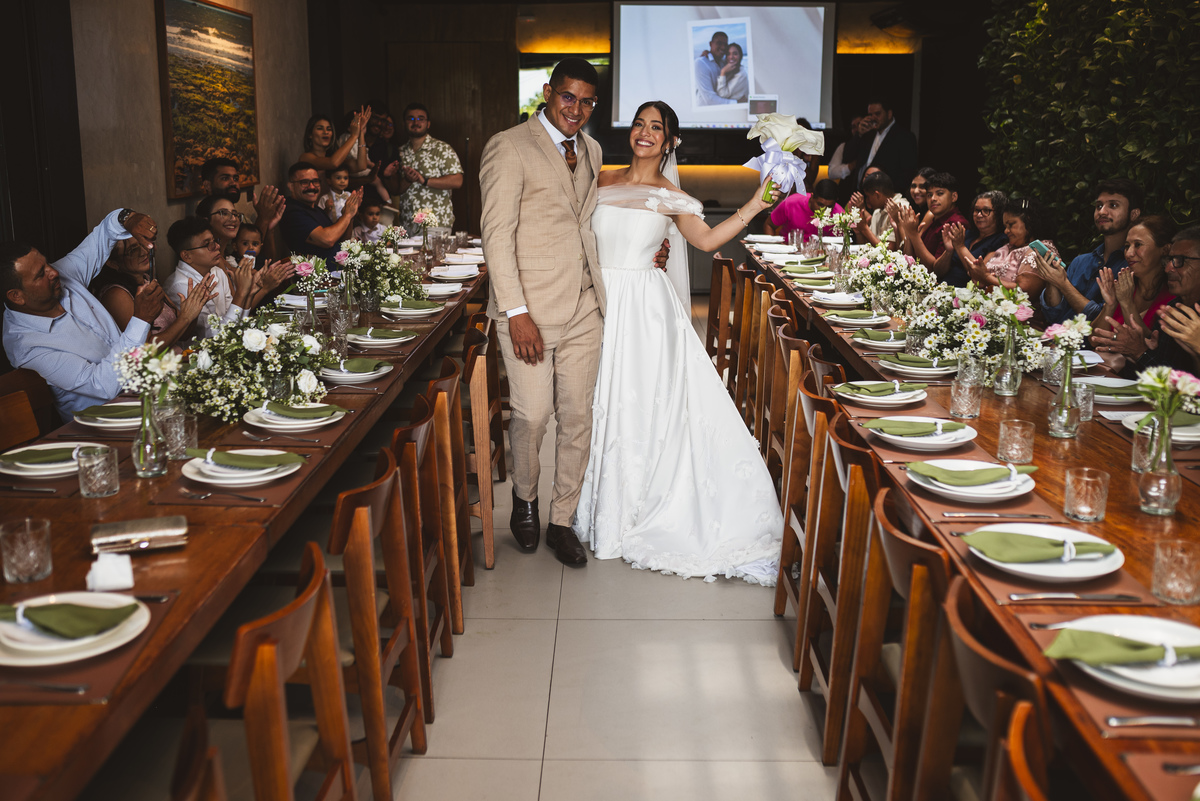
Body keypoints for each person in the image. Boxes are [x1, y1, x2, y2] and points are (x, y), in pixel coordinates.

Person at [573, 99, 783, 583]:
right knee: (594, 403)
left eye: (656, 127)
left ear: (669, 141)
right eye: (639, 124)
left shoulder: (672, 196)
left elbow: (706, 242)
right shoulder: (599, 179)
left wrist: (755, 205)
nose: (644, 133)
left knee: (636, 405)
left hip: (644, 310)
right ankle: (593, 505)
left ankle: (634, 507)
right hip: (597, 300)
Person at [479, 58, 668, 568]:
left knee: (579, 417)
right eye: (568, 97)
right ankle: (525, 498)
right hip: (530, 310)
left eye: (587, 102)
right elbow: (496, 235)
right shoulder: (508, 146)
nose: (576, 109)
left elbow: (593, 222)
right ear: (548, 92)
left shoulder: (593, 150)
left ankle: (562, 520)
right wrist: (516, 311)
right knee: (532, 415)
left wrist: (652, 244)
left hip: (587, 304)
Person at [1, 208, 164, 417]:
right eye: (41, 274)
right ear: (16, 296)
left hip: (145, 398)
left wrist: (128, 218)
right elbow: (101, 384)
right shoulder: (27, 347)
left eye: (47, 263)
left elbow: (102, 236)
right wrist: (141, 319)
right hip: (101, 425)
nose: (54, 272)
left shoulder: (61, 277)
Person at [1035, 177, 1143, 325]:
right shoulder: (1081, 261)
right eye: (1099, 206)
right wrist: (1052, 280)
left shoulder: (1132, 266)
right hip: (1056, 337)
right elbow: (1053, 315)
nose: (1102, 211)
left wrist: (1063, 284)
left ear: (1134, 214)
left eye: (1113, 205)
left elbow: (1103, 320)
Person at [164, 217, 290, 338]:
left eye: (215, 241)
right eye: (207, 244)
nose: (217, 247)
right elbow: (215, 336)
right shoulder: (180, 286)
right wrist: (241, 292)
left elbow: (236, 320)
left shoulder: (217, 271)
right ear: (187, 256)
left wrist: (250, 292)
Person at [90, 237, 216, 347]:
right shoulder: (116, 295)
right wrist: (185, 317)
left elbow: (183, 334)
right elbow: (144, 349)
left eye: (143, 244)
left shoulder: (147, 280)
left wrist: (194, 308)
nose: (144, 252)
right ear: (112, 263)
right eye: (133, 250)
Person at [1110, 227, 1200, 373]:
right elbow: (1166, 373)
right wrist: (1140, 351)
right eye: (1169, 260)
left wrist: (1140, 352)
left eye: (1180, 261)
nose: (1168, 269)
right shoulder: (1174, 307)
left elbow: (1183, 382)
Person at [1090, 215, 1176, 353]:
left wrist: (1126, 302)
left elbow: (1152, 351)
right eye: (1127, 246)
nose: (1129, 253)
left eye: (1138, 245)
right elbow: (1094, 340)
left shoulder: (1174, 295)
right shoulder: (1125, 285)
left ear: (1165, 250)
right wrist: (1110, 305)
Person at [962, 197, 1053, 297]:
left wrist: (986, 278)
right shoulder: (1006, 246)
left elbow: (1025, 291)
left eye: (1011, 225)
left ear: (1029, 221)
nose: (1006, 231)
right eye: (1005, 226)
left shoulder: (1041, 250)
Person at [398, 103, 464, 231]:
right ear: (404, 123)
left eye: (421, 119)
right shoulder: (400, 152)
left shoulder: (442, 148)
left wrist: (425, 181)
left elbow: (457, 180)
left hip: (436, 223)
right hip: (407, 224)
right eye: (411, 118)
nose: (416, 122)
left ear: (428, 124)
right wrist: (407, 180)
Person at [280, 162, 363, 261]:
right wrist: (347, 215)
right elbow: (327, 240)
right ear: (291, 186)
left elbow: (343, 241)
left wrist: (351, 215)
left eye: (315, 181)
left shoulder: (316, 209)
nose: (312, 187)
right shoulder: (292, 211)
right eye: (304, 182)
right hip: (317, 270)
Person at [896, 171, 967, 276]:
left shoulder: (955, 224)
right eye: (929, 195)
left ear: (954, 197)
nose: (933, 199)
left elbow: (934, 269)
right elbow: (909, 259)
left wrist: (914, 235)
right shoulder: (935, 219)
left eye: (940, 194)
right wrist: (909, 232)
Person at [940, 190, 1008, 287]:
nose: (979, 215)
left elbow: (980, 275)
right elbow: (938, 271)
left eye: (986, 210)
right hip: (943, 286)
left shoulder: (1000, 240)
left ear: (999, 214)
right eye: (976, 210)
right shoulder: (967, 234)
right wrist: (949, 251)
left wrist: (960, 247)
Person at [856, 97, 918, 192]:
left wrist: (888, 194)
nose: (873, 118)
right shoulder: (867, 134)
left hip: (887, 195)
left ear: (889, 114)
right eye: (870, 115)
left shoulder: (904, 137)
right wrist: (859, 135)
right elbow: (848, 157)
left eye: (877, 114)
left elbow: (907, 174)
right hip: (861, 193)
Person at [763, 179, 843, 241]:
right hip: (787, 251)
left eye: (829, 207)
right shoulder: (792, 203)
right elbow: (769, 225)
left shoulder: (839, 215)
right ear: (812, 197)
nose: (824, 210)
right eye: (820, 204)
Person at [299, 109, 369, 175]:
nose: (326, 132)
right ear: (310, 134)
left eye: (329, 129)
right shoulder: (305, 157)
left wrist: (360, 132)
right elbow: (333, 163)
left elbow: (361, 166)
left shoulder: (334, 156)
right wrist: (353, 136)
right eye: (320, 128)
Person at [848, 171, 904, 249]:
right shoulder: (877, 211)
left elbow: (889, 250)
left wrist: (864, 228)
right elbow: (867, 246)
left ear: (877, 195)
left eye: (867, 196)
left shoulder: (899, 208)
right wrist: (859, 232)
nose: (866, 201)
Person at [694, 31, 736, 106]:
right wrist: (737, 102)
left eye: (725, 45)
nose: (723, 47)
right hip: (705, 110)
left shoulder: (723, 63)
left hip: (722, 108)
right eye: (719, 43)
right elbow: (710, 100)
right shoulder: (701, 63)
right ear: (711, 44)